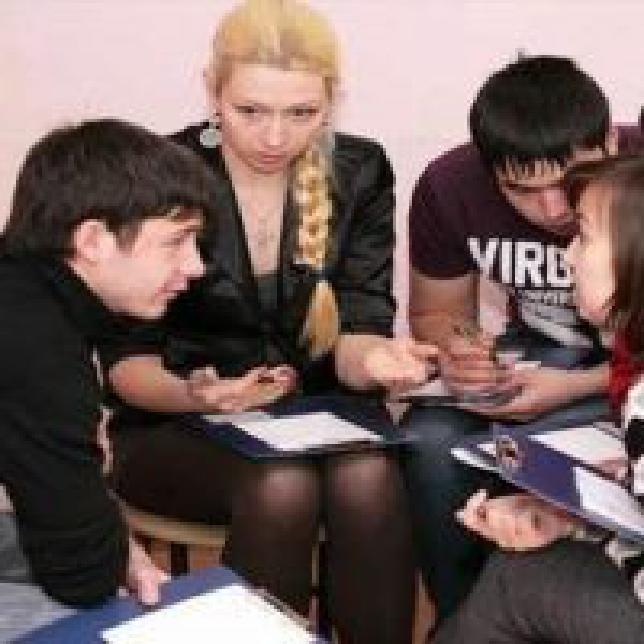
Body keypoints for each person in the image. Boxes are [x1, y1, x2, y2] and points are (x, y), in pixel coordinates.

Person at [104, 1, 434, 642]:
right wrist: (198, 394)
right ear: (212, 91)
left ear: (332, 102)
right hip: (174, 422)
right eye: (250, 110)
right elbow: (126, 364)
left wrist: (378, 360)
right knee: (283, 486)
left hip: (316, 414)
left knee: (369, 475)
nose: (275, 137)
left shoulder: (358, 171)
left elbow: (359, 322)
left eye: (302, 113)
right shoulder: (155, 175)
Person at [402, 54, 644, 622]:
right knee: (430, 440)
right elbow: (437, 315)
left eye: (570, 183)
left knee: (542, 458)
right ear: (488, 172)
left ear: (611, 142)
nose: (554, 210)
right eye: (521, 191)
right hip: (535, 355)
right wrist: (464, 352)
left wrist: (574, 386)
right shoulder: (449, 187)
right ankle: (462, 616)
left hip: (622, 373)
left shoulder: (636, 181)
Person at [0, 118, 215, 640]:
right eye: (176, 242)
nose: (196, 266)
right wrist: (106, 547)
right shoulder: (38, 346)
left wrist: (114, 542)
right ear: (93, 240)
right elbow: (82, 576)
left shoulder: (23, 286)